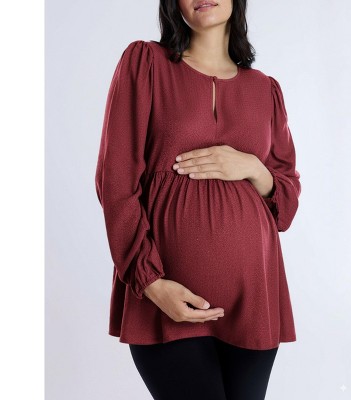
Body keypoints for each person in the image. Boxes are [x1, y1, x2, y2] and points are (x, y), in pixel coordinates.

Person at [95, 0, 301, 398]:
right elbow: (115, 181)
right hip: (167, 296)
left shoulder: (266, 89)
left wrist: (253, 167)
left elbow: (286, 204)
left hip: (253, 301)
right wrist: (150, 283)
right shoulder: (146, 64)